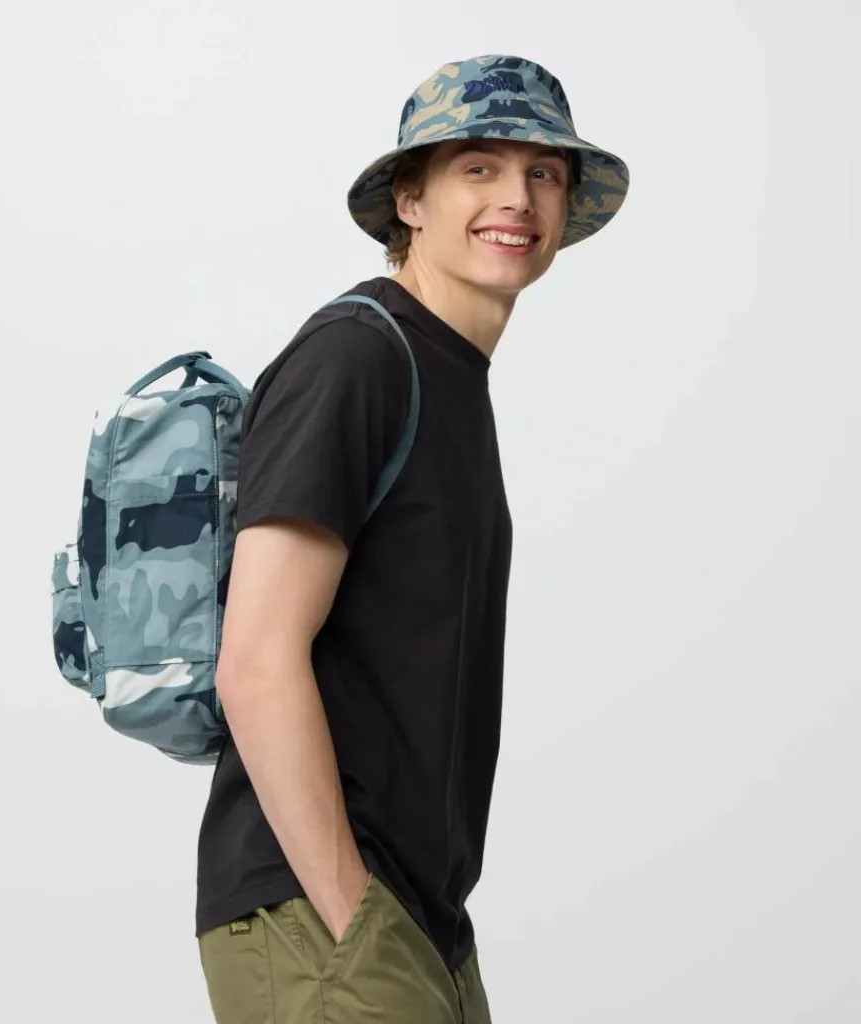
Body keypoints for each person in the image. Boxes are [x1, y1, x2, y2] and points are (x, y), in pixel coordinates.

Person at [195, 54, 629, 1023]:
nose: (516, 197)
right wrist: (354, 914)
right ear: (411, 200)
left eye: (543, 172)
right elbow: (256, 662)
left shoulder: (449, 376)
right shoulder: (359, 357)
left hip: (420, 917)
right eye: (478, 167)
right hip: (319, 912)